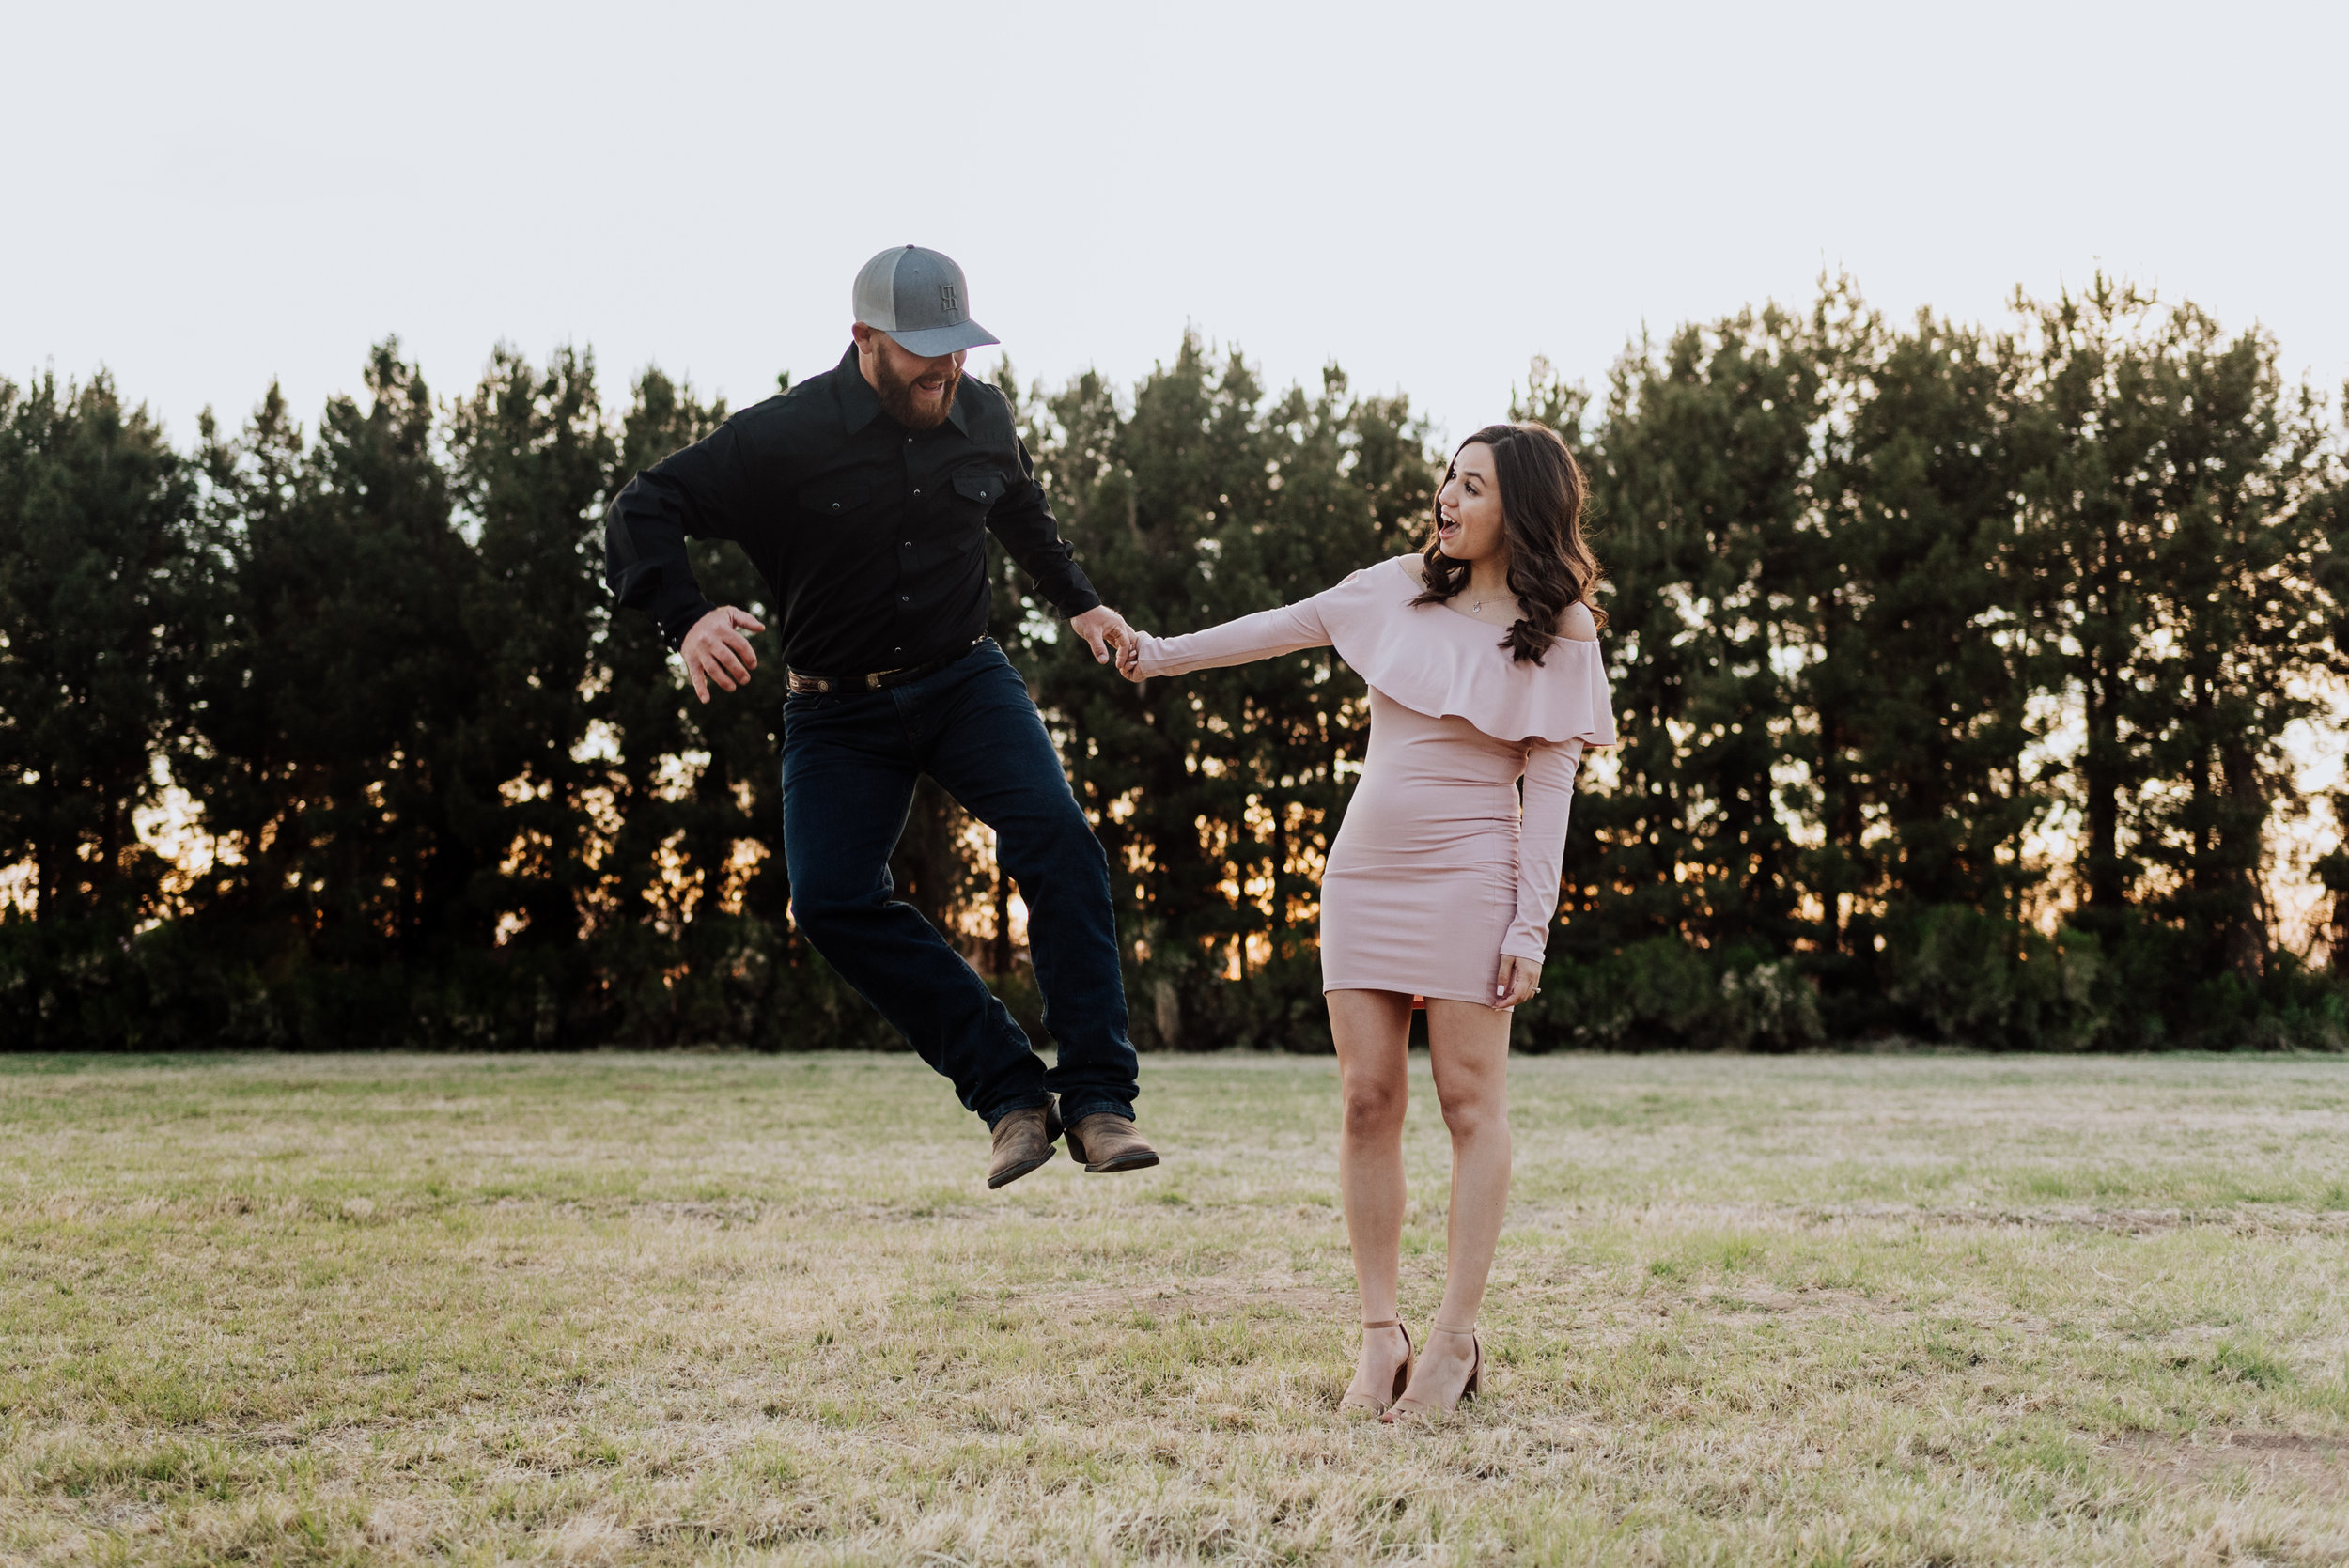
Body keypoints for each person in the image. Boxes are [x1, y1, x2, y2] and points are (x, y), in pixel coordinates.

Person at [604, 244, 1158, 1189]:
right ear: (864, 339)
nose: (945, 371)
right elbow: (644, 503)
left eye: (957, 351)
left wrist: (1081, 599)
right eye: (922, 353)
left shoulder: (982, 414)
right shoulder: (786, 435)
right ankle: (1008, 1093)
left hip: (964, 680)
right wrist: (687, 616)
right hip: (837, 712)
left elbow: (1019, 510)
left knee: (1057, 836)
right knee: (827, 899)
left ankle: (1099, 1102)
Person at [1116, 421, 1612, 1421]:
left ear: (1519, 506)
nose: (1446, 497)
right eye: (1446, 477)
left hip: (1476, 873)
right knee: (1364, 1099)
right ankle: (1378, 1332)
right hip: (1366, 871)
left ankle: (1454, 1337)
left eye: (1470, 485)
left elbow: (1551, 788)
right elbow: (1280, 623)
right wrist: (1155, 655)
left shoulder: (1562, 632)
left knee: (1469, 1106)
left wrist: (1531, 928)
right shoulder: (1397, 586)